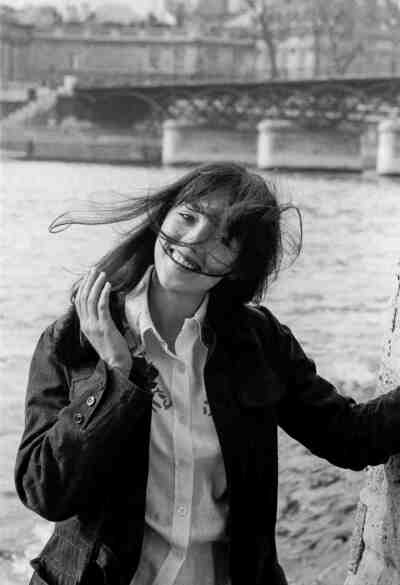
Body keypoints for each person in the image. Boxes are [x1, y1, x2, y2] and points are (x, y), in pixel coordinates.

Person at [14, 162, 400, 585]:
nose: (195, 240)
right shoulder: (75, 339)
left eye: (224, 237)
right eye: (189, 216)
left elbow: (351, 437)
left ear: (238, 265)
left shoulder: (258, 343)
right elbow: (44, 490)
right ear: (163, 215)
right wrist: (116, 377)